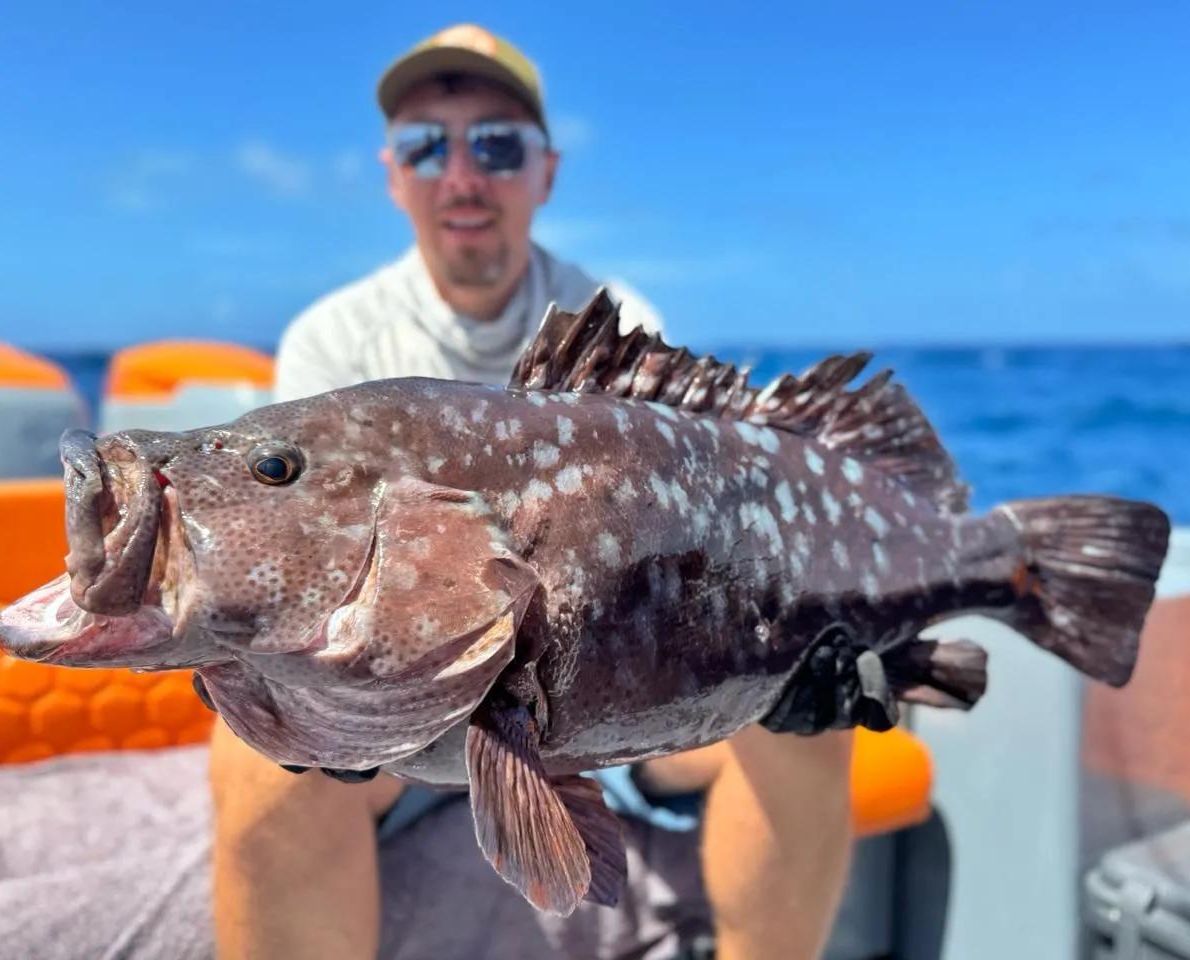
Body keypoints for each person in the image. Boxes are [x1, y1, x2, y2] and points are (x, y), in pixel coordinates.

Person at [208, 24, 855, 960]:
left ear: (544, 173)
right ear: (394, 175)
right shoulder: (331, 343)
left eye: (497, 146)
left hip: (616, 694)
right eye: (429, 145)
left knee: (812, 716)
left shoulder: (615, 320)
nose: (462, 175)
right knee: (260, 767)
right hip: (399, 718)